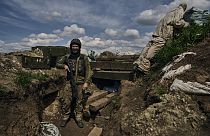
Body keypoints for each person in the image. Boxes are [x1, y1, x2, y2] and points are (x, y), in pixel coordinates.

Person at [133, 3, 189, 73]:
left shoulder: (169, 13)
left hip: (157, 34)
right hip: (163, 35)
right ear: (184, 8)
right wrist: (186, 23)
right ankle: (144, 67)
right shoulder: (180, 10)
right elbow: (177, 22)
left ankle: (138, 63)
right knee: (153, 50)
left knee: (149, 47)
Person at [56, 38, 92, 128]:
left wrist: (86, 82)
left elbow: (89, 71)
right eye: (73, 46)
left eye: (76, 46)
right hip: (69, 82)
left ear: (79, 47)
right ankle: (65, 117)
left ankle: (78, 118)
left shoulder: (84, 57)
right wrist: (63, 65)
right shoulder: (67, 57)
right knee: (67, 101)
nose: (75, 48)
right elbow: (57, 63)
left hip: (80, 83)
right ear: (71, 47)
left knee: (79, 101)